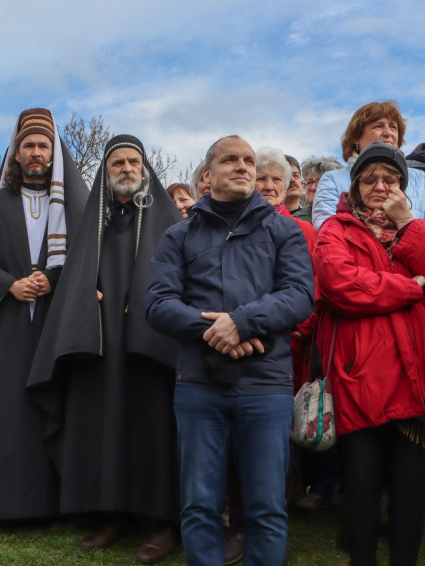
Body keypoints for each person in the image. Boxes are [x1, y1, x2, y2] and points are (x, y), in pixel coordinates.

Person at [146, 135, 314, 566]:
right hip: (199, 384)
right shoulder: (178, 235)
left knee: (267, 507)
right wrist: (217, 330)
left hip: (266, 384)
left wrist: (241, 322)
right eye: (230, 160)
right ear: (208, 174)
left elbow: (299, 295)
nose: (243, 167)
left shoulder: (283, 231)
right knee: (199, 504)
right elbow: (159, 304)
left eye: (249, 161)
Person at [29, 135, 182, 563]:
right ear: (106, 171)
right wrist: (85, 294)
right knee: (105, 426)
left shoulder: (168, 218)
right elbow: (75, 274)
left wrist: (147, 298)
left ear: (145, 169)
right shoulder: (91, 220)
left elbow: (179, 273)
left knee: (153, 426)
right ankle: (112, 513)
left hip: (150, 343)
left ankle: (162, 521)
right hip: (100, 342)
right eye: (118, 162)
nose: (127, 168)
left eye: (134, 161)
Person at [0, 108, 87, 542]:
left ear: (54, 153)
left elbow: (87, 257)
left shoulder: (72, 206)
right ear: (15, 153)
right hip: (4, 320)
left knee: (51, 405)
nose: (35, 152)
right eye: (28, 145)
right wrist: (8, 285)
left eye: (42, 145)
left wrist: (53, 278)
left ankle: (50, 505)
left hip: (54, 319)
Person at [313, 141, 425, 566]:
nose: (380, 186)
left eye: (391, 179)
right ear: (355, 187)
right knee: (361, 485)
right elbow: (341, 286)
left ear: (403, 188)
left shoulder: (414, 228)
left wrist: (408, 222)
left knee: (410, 489)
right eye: (369, 179)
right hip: (359, 375)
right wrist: (412, 287)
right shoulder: (335, 230)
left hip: (413, 376)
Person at [312, 101, 425, 229]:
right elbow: (325, 226)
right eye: (378, 126)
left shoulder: (421, 179)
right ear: (356, 137)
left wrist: (406, 221)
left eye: (393, 127)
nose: (388, 133)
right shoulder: (333, 179)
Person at [255, 147, 317, 252]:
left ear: (284, 189)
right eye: (261, 179)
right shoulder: (236, 225)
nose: (269, 187)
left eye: (276, 179)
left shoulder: (305, 230)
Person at [295, 157, 344, 224]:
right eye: (309, 182)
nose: (313, 188)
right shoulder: (294, 221)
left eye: (320, 182)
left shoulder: (355, 215)